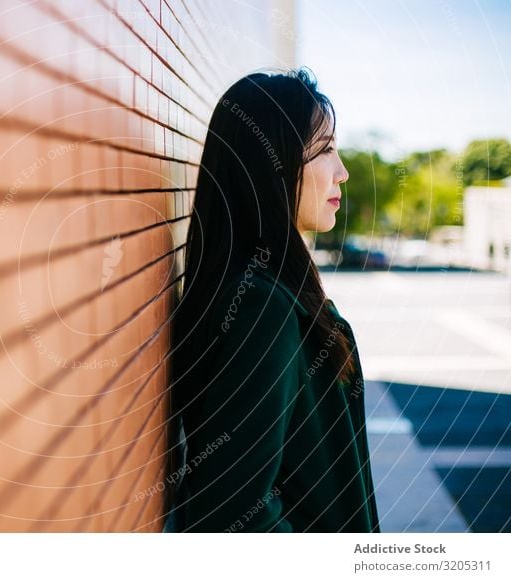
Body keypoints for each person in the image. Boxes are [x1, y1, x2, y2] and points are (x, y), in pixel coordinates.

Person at [167, 68, 380, 533]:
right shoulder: (262, 308)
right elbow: (233, 515)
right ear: (273, 167)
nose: (342, 171)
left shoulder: (267, 291)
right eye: (325, 150)